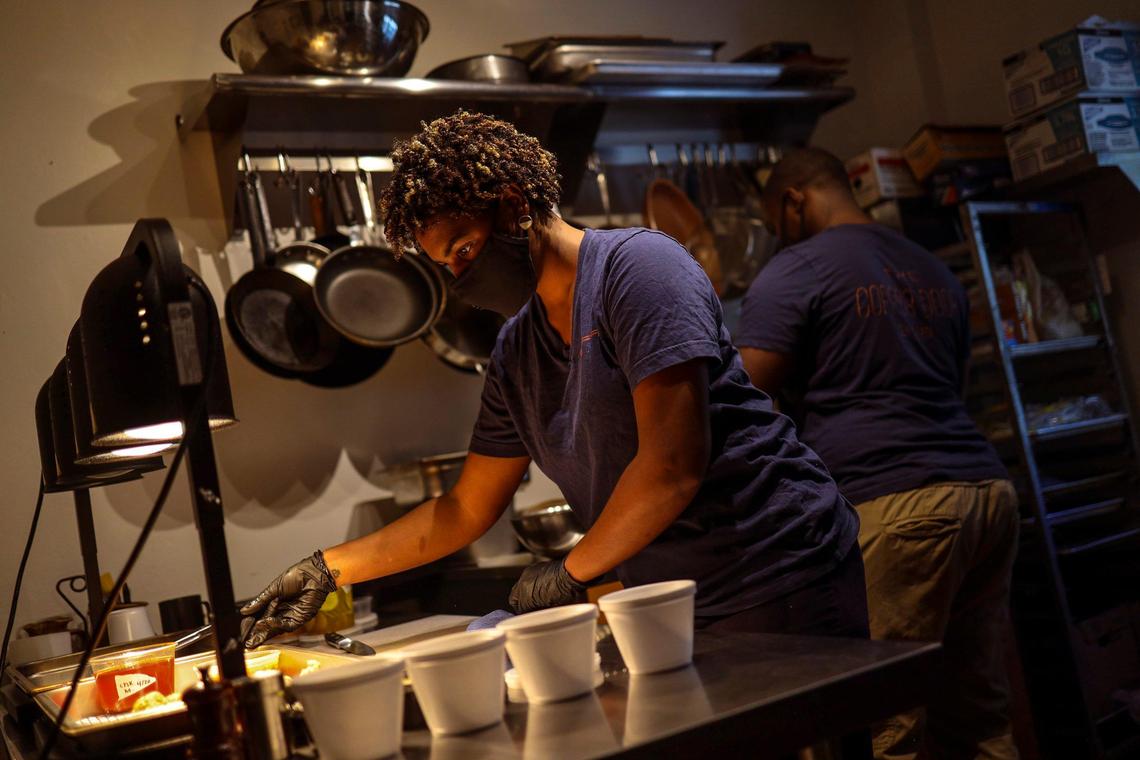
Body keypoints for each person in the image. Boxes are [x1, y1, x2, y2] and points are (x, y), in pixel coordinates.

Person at [240, 112, 867, 653]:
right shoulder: (517, 351)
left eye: (463, 250)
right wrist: (329, 568)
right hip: (675, 600)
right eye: (445, 266)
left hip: (779, 569)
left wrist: (571, 570)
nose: (461, 278)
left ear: (514, 204)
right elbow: (464, 508)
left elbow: (672, 466)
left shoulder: (639, 271)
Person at [735, 147, 1019, 760]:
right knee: (979, 716)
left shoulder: (797, 269)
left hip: (894, 505)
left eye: (771, 220)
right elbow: (955, 384)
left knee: (885, 729)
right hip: (986, 496)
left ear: (793, 201)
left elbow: (741, 401)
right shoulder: (931, 269)